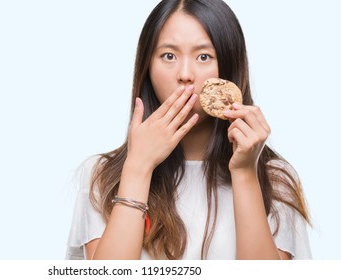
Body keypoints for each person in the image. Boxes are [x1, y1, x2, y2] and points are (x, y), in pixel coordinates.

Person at [66, 0, 311, 260]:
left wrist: (244, 172)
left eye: (204, 56)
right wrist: (138, 168)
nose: (185, 74)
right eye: (168, 56)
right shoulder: (101, 176)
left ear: (228, 68)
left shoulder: (276, 180)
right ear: (147, 68)